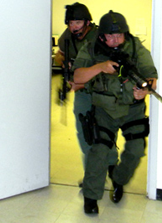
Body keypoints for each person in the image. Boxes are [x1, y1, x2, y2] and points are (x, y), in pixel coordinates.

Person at [73, 10, 157, 214]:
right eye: (110, 36)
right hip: (104, 110)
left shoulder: (136, 47)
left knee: (136, 150)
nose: (115, 40)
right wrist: (100, 67)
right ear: (102, 35)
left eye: (119, 35)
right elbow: (77, 77)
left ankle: (118, 181)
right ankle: (91, 198)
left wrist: (144, 91)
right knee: (99, 151)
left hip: (132, 110)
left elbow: (151, 75)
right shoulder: (92, 48)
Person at [55, 2, 118, 180]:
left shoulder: (100, 37)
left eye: (77, 23)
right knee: (84, 131)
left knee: (104, 131)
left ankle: (112, 167)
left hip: (102, 89)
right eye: (70, 23)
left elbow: (110, 70)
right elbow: (59, 54)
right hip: (82, 91)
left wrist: (80, 82)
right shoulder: (67, 36)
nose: (73, 27)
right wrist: (65, 62)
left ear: (87, 22)